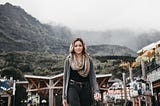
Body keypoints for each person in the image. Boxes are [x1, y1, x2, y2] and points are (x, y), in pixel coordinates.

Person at [62, 38, 101, 106]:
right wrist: (64, 97)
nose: (78, 47)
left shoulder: (89, 60)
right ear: (73, 47)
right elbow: (65, 79)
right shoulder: (68, 60)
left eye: (80, 45)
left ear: (83, 47)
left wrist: (96, 91)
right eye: (76, 46)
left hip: (86, 88)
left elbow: (92, 77)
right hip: (73, 87)